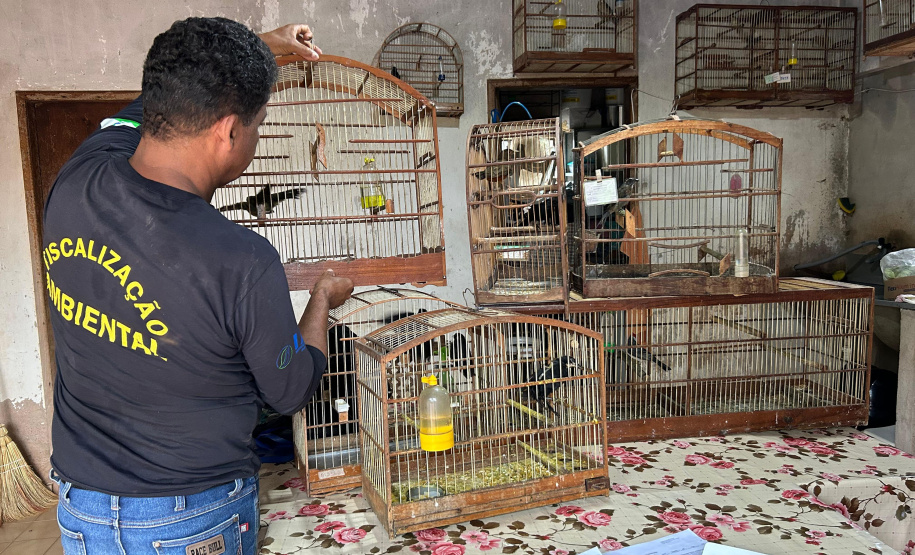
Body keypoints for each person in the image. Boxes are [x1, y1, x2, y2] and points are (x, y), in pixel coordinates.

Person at [41, 17, 353, 554]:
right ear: (228, 131)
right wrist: (322, 297)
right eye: (258, 123)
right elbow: (289, 390)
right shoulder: (242, 260)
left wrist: (262, 48)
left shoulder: (79, 175)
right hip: (191, 516)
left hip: (82, 508)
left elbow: (160, 97)